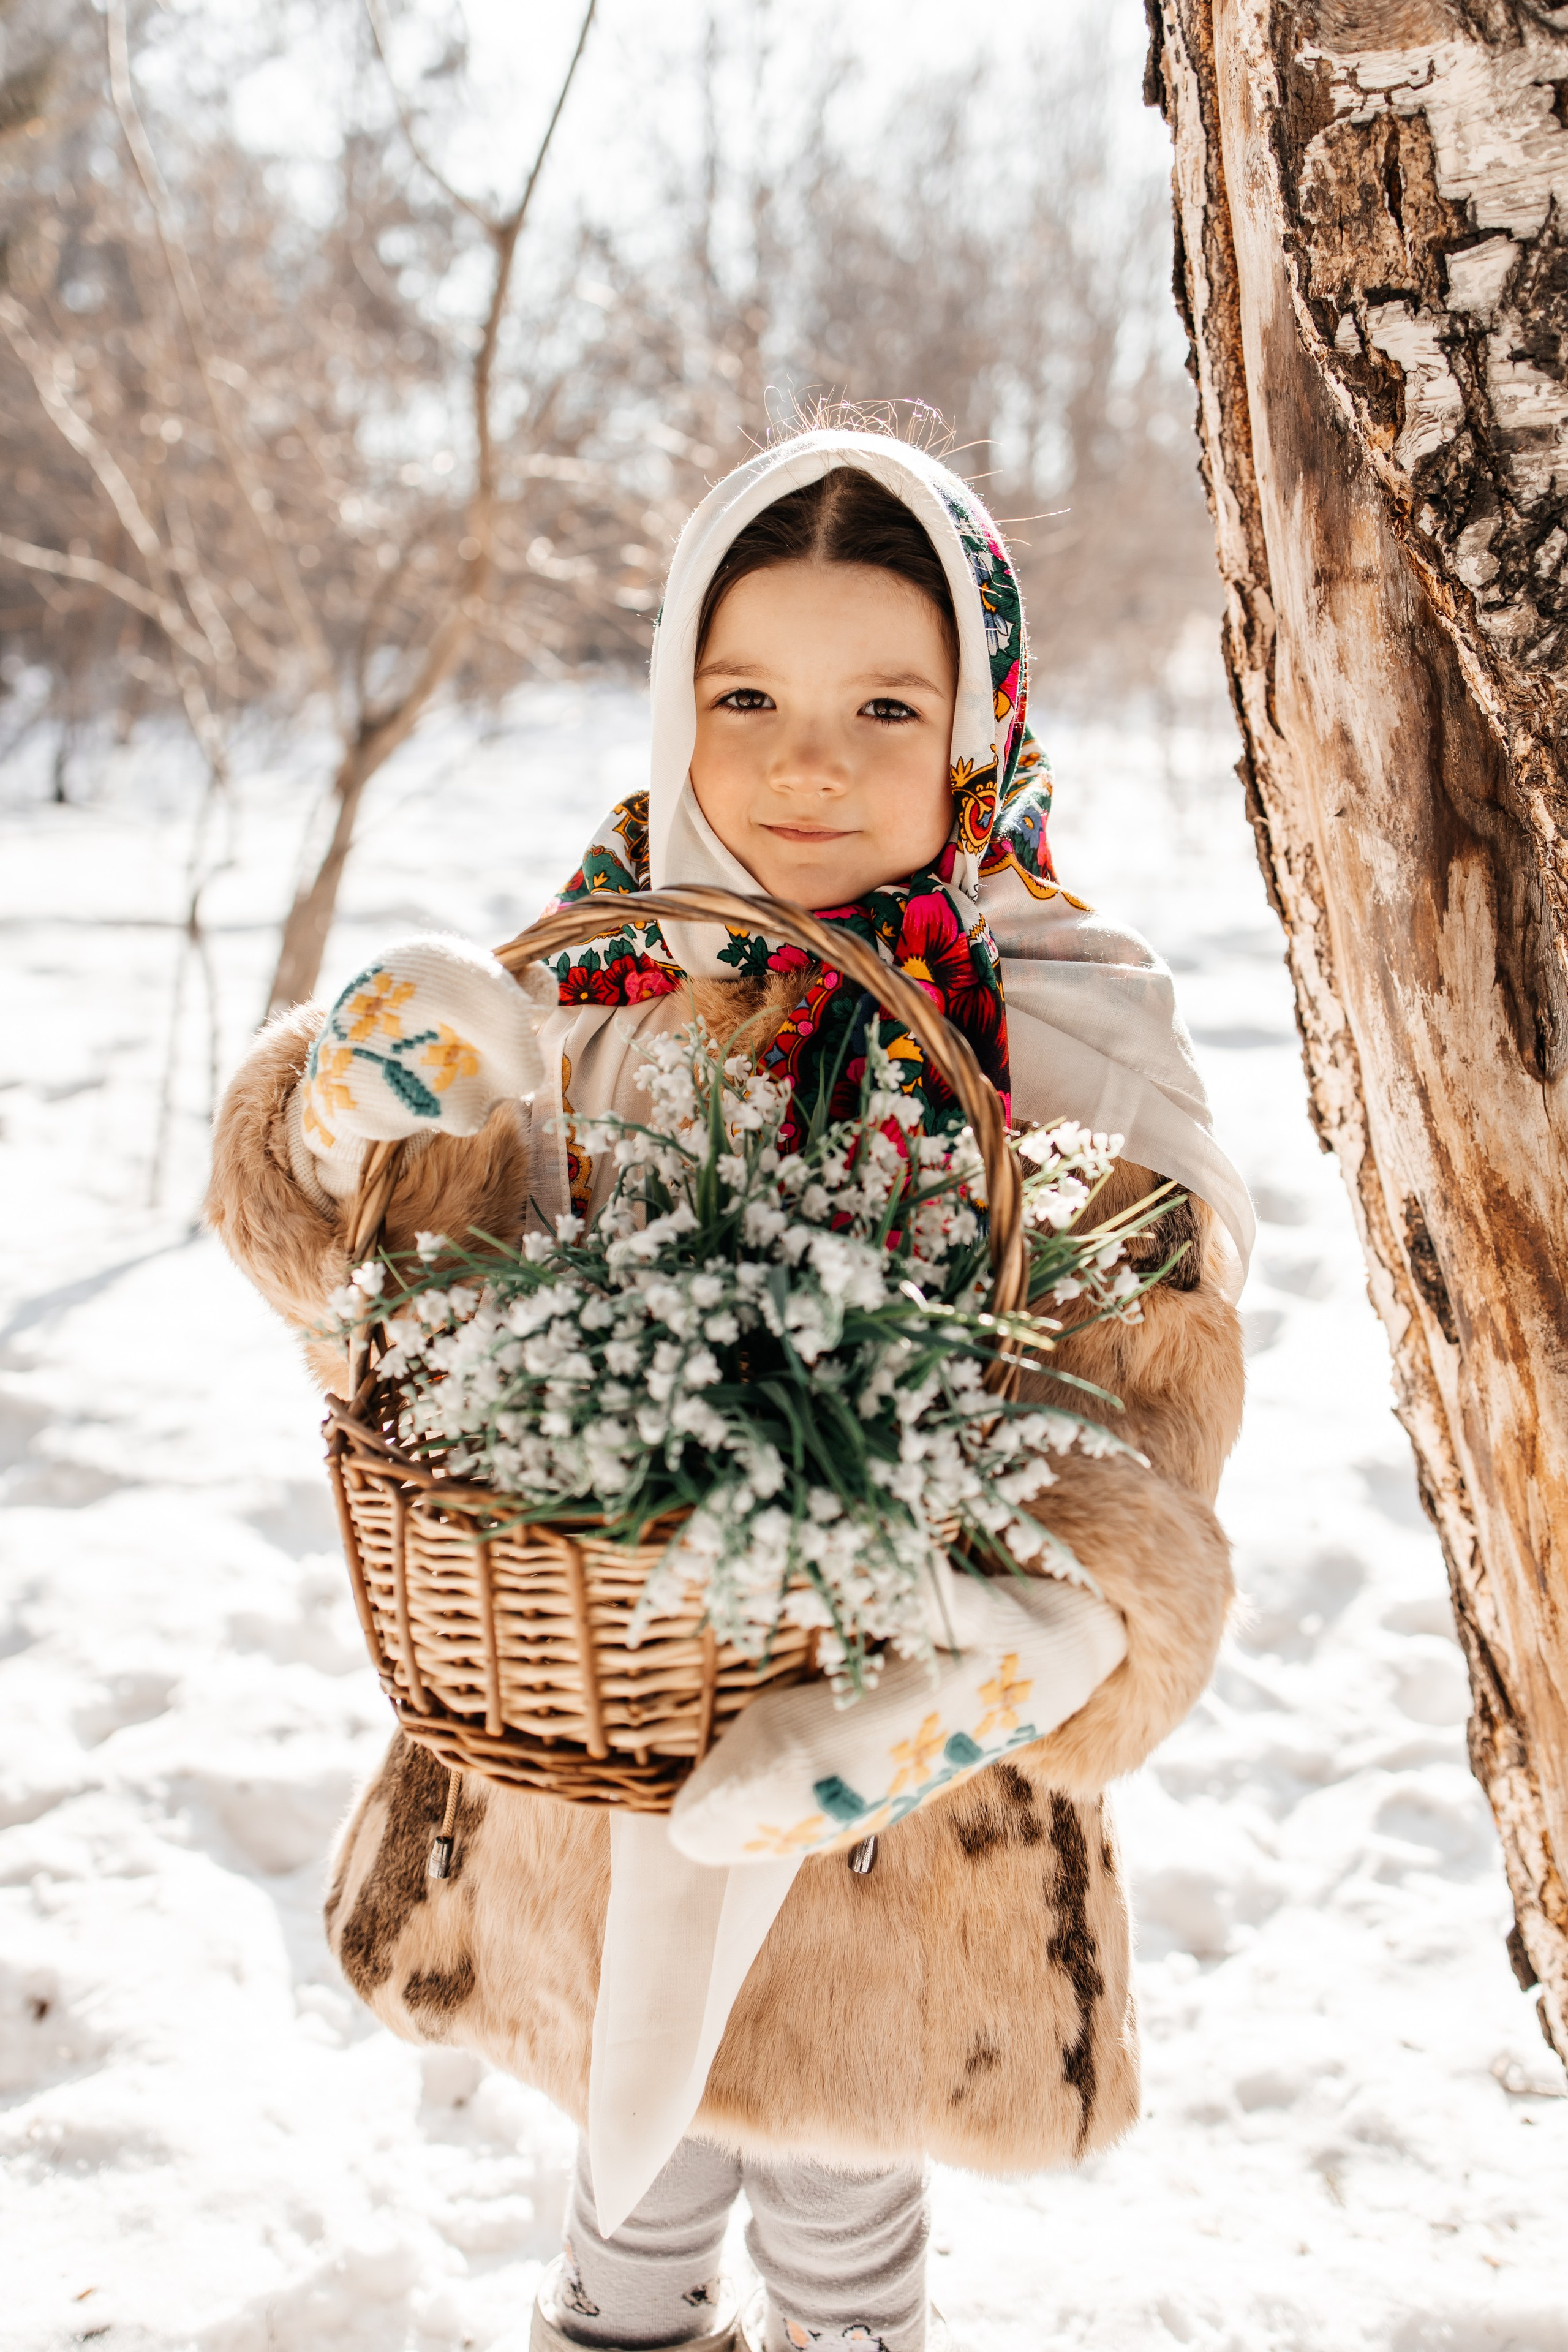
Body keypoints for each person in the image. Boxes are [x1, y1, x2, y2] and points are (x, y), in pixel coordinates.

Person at [208, 418, 1251, 2352]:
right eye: (746, 690)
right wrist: (340, 1123)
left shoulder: (1057, 1011)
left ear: (976, 722)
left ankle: (979, 1669)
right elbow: (399, 1284)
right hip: (592, 1709)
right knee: (630, 2161)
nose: (804, 761)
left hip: (888, 1783)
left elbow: (1149, 1386)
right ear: (674, 691)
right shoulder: (607, 971)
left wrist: (1072, 1562)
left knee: (840, 2173)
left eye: (883, 703)